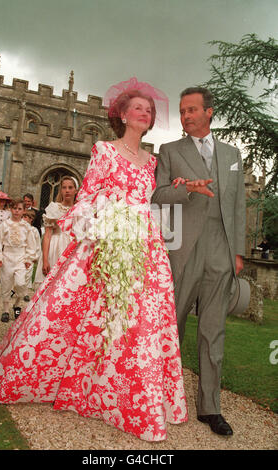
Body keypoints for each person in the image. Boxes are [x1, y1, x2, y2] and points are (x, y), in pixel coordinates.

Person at [0, 78, 195, 442]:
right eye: (138, 107)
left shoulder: (153, 162)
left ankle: (126, 397)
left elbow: (156, 202)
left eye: (150, 110)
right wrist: (106, 223)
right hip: (106, 242)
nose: (145, 112)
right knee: (82, 313)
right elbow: (88, 196)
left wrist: (181, 189)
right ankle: (80, 385)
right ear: (123, 114)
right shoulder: (104, 151)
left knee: (140, 321)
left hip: (145, 246)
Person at [152, 87, 246, 436]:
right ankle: (161, 398)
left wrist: (237, 253)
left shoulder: (233, 154)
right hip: (182, 251)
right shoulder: (169, 151)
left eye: (192, 109)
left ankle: (210, 408)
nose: (186, 116)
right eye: (181, 111)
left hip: (221, 253)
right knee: (171, 327)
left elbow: (238, 207)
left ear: (209, 112)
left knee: (213, 332)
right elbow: (158, 196)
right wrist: (187, 188)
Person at [0, 199, 36, 323]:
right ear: (11, 209)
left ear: (23, 211)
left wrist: (28, 258)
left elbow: (31, 244)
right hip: (7, 256)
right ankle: (5, 310)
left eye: (19, 209)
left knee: (21, 283)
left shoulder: (26, 227)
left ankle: (17, 304)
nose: (17, 211)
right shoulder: (4, 225)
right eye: (14, 208)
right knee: (6, 283)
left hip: (21, 257)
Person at [33, 176, 78, 288]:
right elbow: (47, 235)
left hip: (72, 249)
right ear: (61, 190)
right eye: (64, 187)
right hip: (55, 247)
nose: (67, 190)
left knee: (67, 285)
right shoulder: (54, 208)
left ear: (75, 190)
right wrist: (45, 260)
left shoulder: (79, 209)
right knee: (51, 285)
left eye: (70, 187)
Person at [22, 209, 42, 301]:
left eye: (25, 217)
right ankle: (16, 289)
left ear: (31, 219)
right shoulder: (20, 229)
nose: (24, 219)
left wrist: (36, 256)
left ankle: (25, 292)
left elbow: (38, 244)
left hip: (30, 255)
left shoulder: (34, 231)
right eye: (23, 217)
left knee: (28, 273)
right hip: (21, 254)